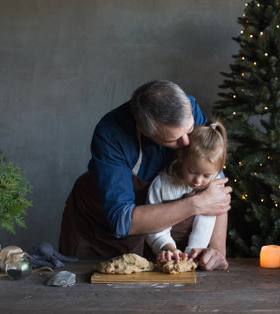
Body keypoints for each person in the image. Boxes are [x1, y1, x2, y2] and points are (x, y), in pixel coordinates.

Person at [59, 80, 232, 270]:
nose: (186, 143)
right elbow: (121, 221)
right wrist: (195, 204)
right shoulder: (111, 134)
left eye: (189, 130)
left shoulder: (187, 108)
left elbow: (215, 187)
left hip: (165, 230)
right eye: (174, 139)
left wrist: (217, 250)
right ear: (145, 131)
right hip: (101, 225)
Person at [146, 121, 227, 263]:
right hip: (160, 252)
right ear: (181, 157)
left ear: (217, 171)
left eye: (206, 175)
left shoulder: (213, 188)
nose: (198, 181)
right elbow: (153, 226)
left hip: (193, 256)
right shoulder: (161, 185)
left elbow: (205, 222)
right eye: (192, 172)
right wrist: (168, 248)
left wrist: (193, 252)